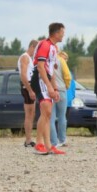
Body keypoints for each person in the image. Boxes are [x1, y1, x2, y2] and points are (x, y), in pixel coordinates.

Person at [31, 22, 65, 155]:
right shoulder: (45, 45)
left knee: (48, 113)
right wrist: (49, 87)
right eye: (62, 32)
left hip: (46, 78)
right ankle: (42, 144)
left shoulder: (54, 47)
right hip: (39, 78)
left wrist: (55, 88)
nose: (63, 35)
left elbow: (51, 70)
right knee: (46, 111)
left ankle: (47, 145)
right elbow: (40, 67)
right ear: (56, 33)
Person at [18, 39, 38, 147]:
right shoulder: (25, 57)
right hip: (27, 86)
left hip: (29, 86)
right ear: (32, 47)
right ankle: (28, 140)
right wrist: (30, 90)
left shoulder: (29, 58)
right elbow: (23, 75)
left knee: (31, 113)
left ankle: (28, 139)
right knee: (29, 114)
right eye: (36, 49)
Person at [50, 51, 71, 147]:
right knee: (62, 116)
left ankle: (53, 141)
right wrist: (66, 85)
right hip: (61, 90)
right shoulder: (61, 60)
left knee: (51, 118)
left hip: (50, 91)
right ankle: (62, 139)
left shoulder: (48, 60)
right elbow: (67, 75)